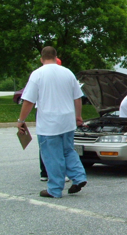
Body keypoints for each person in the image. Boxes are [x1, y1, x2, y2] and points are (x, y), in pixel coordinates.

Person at [17, 46, 87, 198]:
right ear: (56, 57)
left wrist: (21, 120)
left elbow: (28, 100)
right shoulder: (68, 72)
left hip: (49, 123)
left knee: (52, 155)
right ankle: (79, 177)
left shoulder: (37, 74)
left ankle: (55, 189)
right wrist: (78, 116)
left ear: (41, 59)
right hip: (67, 120)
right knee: (68, 150)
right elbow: (78, 97)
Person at [39, 57, 69, 183]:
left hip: (45, 115)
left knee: (46, 146)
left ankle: (45, 172)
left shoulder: (40, 74)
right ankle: (57, 174)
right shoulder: (65, 76)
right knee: (59, 148)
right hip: (57, 116)